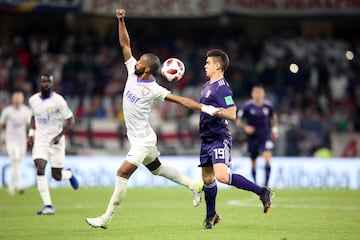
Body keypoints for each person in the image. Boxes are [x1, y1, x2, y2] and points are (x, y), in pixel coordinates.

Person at [85, 9, 219, 229]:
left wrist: (205, 108)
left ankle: (105, 218)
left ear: (146, 68)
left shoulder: (155, 89)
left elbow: (180, 100)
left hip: (143, 141)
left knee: (122, 173)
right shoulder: (131, 70)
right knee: (157, 169)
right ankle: (194, 186)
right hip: (141, 136)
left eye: (139, 63)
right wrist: (121, 21)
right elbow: (125, 44)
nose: (135, 63)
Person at [198, 49, 274, 229]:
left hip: (218, 137)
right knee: (208, 179)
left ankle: (262, 192)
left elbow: (232, 113)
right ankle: (211, 215)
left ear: (217, 65)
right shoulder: (206, 86)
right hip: (206, 139)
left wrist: (214, 111)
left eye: (208, 63)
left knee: (222, 177)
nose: (205, 66)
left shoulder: (222, 87)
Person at [27, 73, 79, 215]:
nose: (46, 85)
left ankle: (68, 174)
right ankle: (48, 206)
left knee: (57, 176)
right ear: (40, 84)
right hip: (40, 141)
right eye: (44, 82)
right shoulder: (33, 100)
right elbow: (33, 117)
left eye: (48, 82)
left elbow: (70, 120)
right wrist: (31, 135)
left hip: (56, 143)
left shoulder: (59, 101)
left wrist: (59, 135)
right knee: (40, 168)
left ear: (52, 84)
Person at [236, 84, 278, 186]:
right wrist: (246, 127)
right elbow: (238, 121)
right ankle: (255, 186)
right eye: (256, 92)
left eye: (260, 92)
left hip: (265, 136)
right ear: (252, 94)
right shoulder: (247, 106)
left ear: (263, 94)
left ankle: (266, 185)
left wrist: (275, 130)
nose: (258, 95)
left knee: (267, 157)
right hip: (253, 138)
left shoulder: (268, 106)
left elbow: (274, 118)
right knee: (254, 161)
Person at [0, 91, 31, 195]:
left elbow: (29, 125)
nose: (17, 101)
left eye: (19, 99)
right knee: (16, 160)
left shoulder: (26, 111)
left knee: (16, 164)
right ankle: (20, 186)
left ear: (22, 100)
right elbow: (1, 125)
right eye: (16, 99)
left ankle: (10, 187)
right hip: (10, 141)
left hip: (22, 141)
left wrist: (32, 136)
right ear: (13, 100)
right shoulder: (7, 111)